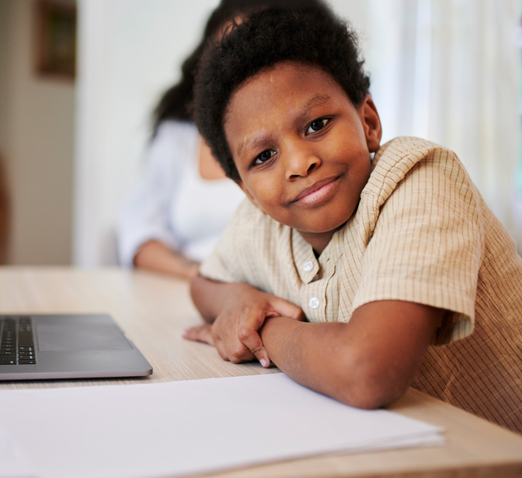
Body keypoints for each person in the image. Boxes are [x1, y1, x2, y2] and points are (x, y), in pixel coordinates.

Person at [184, 5, 522, 434]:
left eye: (317, 125)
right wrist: (236, 304)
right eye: (264, 156)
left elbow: (366, 370)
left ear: (368, 122)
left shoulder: (418, 180)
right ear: (247, 192)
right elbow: (203, 283)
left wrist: (264, 329)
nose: (300, 163)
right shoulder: (262, 222)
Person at [117, 0, 318, 279]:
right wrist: (207, 280)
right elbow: (139, 234)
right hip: (187, 288)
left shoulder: (308, 144)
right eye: (228, 59)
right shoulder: (178, 138)